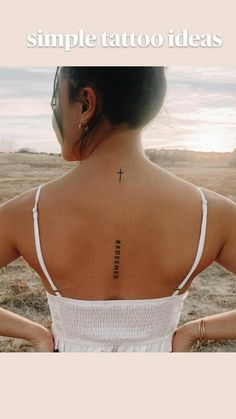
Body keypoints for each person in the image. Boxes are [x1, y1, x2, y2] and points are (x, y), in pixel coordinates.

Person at [0, 66, 236, 352]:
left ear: (86, 103)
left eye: (54, 103)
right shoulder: (215, 214)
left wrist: (34, 333)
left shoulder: (24, 213)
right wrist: (194, 331)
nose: (54, 117)